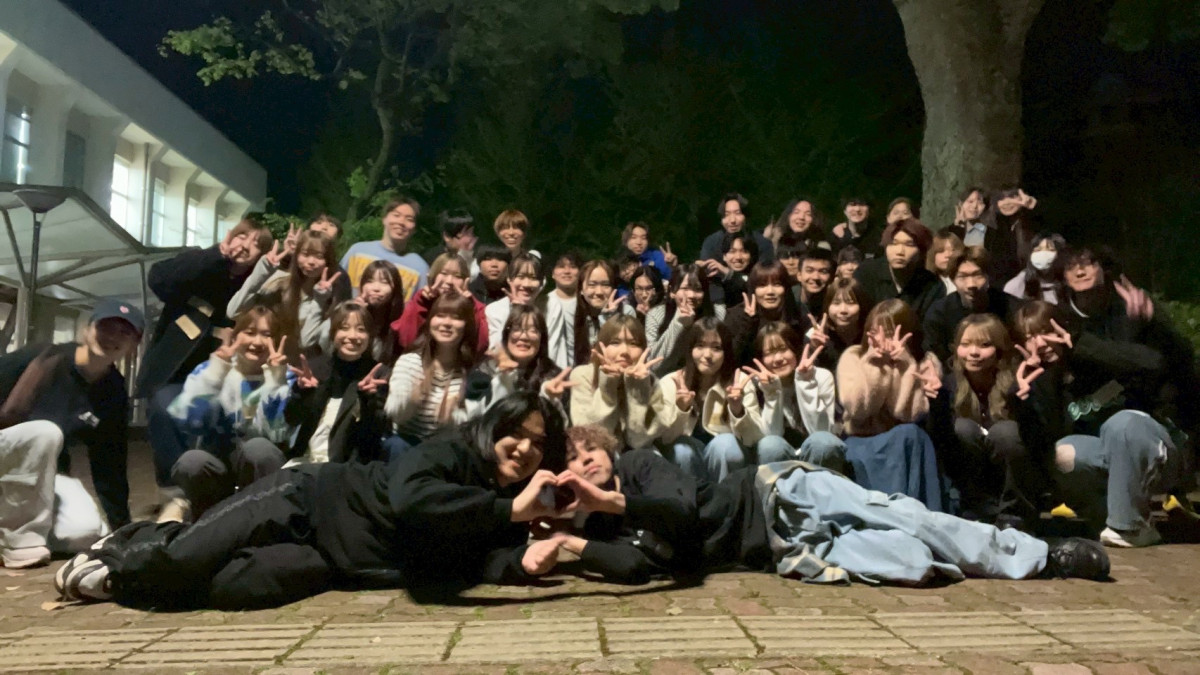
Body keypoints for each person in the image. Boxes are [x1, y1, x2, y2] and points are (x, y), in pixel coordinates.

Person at [53, 393, 569, 608]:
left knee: (235, 587)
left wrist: (520, 563)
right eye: (515, 434)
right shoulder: (451, 451)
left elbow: (476, 559)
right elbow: (412, 500)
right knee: (187, 556)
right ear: (492, 429)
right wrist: (512, 511)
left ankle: (129, 577)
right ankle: (121, 554)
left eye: (538, 443)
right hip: (303, 497)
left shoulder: (511, 501)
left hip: (327, 559)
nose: (524, 449)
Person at [553, 426, 1109, 586]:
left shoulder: (639, 468)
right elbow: (633, 567)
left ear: (606, 449)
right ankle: (970, 558)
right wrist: (567, 540)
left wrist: (615, 500)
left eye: (587, 452)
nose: (584, 464)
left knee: (904, 515)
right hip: (788, 550)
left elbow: (682, 511)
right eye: (572, 463)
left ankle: (1041, 556)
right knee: (913, 564)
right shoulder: (603, 528)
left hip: (778, 492)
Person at [1012, 301, 1191, 547]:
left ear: (1065, 328)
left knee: (1121, 423)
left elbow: (1154, 363)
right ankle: (1116, 519)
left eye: (1047, 332)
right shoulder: (1043, 381)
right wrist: (1027, 395)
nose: (1040, 343)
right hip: (1110, 463)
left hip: (1158, 454)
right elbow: (1044, 443)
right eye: (1030, 337)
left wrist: (1081, 346)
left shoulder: (1097, 353)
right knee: (1062, 452)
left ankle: (1130, 526)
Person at [0, 298, 143, 566]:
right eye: (106, 327)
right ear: (85, 331)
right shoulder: (44, 358)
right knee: (45, 433)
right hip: (4, 450)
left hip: (40, 475)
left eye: (125, 333)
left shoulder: (113, 390)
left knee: (85, 532)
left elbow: (109, 464)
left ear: (133, 346)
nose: (113, 337)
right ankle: (19, 541)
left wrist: (123, 529)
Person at [165, 305, 294, 518]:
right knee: (192, 461)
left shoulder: (286, 376)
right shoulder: (209, 369)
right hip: (218, 463)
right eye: (250, 332)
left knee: (259, 448)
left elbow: (278, 434)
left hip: (262, 467)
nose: (257, 342)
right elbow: (189, 422)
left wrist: (275, 382)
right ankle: (205, 523)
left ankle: (264, 522)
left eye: (267, 335)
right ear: (235, 335)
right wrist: (216, 375)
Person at [835, 300, 945, 510]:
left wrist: (907, 366)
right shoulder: (854, 356)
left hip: (902, 441)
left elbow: (906, 414)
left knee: (910, 433)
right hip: (861, 439)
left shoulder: (925, 362)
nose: (882, 339)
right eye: (875, 332)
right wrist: (874, 366)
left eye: (890, 332)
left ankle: (912, 515)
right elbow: (858, 410)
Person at [654, 318, 791, 482]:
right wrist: (681, 409)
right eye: (700, 346)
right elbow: (664, 440)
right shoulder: (671, 382)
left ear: (726, 352)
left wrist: (737, 411)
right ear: (690, 349)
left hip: (730, 461)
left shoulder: (739, 382)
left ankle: (726, 497)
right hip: (690, 460)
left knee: (724, 443)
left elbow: (755, 438)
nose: (707, 355)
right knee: (681, 449)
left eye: (716, 348)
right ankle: (688, 497)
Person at [944, 314, 1040, 524]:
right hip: (972, 492)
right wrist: (935, 401)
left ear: (999, 349)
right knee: (962, 428)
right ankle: (974, 511)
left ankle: (1013, 517)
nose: (974, 352)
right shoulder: (949, 385)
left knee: (1005, 432)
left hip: (1013, 484)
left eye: (984, 345)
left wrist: (1024, 398)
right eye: (965, 344)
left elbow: (1037, 438)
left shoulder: (1017, 381)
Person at [283, 302, 388, 467]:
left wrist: (369, 401)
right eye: (344, 328)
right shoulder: (315, 369)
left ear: (370, 337)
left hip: (345, 469)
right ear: (333, 334)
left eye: (361, 329)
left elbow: (372, 440)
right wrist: (301, 392)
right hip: (304, 461)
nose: (352, 335)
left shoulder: (377, 375)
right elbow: (292, 419)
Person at [383, 293, 480, 458]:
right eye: (440, 315)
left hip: (442, 451)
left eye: (456, 318)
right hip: (405, 442)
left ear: (467, 326)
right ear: (430, 321)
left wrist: (452, 416)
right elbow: (395, 414)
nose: (446, 323)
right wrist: (411, 399)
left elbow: (468, 430)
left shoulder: (469, 373)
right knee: (397, 445)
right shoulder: (411, 362)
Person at [742, 322, 844, 468]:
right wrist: (772, 393)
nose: (778, 358)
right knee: (769, 445)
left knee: (823, 441)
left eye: (783, 349)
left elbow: (823, 432)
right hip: (780, 460)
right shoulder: (757, 386)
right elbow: (770, 440)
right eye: (769, 353)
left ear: (795, 349)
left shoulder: (821, 377)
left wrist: (806, 383)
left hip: (817, 456)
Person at [228, 230, 342, 358]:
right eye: (305, 254)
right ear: (296, 256)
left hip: (296, 366)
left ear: (328, 261)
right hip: (259, 359)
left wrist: (319, 301)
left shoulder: (332, 299)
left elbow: (306, 342)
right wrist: (260, 274)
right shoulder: (278, 282)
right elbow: (233, 312)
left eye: (319, 256)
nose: (311, 261)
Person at [569, 315, 663, 452]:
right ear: (601, 346)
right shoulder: (583, 375)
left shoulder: (650, 380)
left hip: (639, 455)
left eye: (634, 344)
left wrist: (637, 388)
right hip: (597, 454)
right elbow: (590, 438)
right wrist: (608, 384)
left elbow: (640, 441)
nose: (624, 351)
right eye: (615, 343)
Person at [462, 305, 573, 415]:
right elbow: (475, 418)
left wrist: (550, 400)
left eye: (533, 331)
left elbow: (562, 423)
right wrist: (503, 380)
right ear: (506, 336)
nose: (524, 337)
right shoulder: (484, 373)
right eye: (517, 329)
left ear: (542, 339)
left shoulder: (553, 377)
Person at [922, 246, 1021, 364]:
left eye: (978, 275)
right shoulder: (939, 313)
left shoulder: (1011, 307)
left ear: (988, 276)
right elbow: (936, 358)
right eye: (962, 276)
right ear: (953, 279)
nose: (971, 284)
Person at [395, 253, 489, 356]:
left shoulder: (475, 306)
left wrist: (469, 307)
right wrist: (422, 303)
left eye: (457, 276)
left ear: (466, 280)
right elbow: (406, 339)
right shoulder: (420, 300)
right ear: (433, 275)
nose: (449, 281)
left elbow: (481, 346)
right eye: (444, 273)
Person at [852, 217, 946, 319]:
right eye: (894, 243)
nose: (900, 251)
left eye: (909, 245)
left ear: (921, 251)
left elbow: (930, 324)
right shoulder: (866, 273)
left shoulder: (932, 285)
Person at [644, 264, 726, 376]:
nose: (691, 295)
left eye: (698, 289)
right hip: (667, 379)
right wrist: (678, 324)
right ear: (672, 292)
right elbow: (654, 365)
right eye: (685, 288)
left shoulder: (718, 312)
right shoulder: (656, 315)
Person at [340, 197, 429, 301]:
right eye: (396, 215)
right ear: (384, 219)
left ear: (414, 229)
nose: (401, 222)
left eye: (409, 219)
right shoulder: (358, 252)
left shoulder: (419, 268)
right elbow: (337, 285)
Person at [726, 261, 808, 367]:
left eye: (777, 284)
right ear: (753, 289)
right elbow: (728, 361)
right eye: (762, 285)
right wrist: (748, 325)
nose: (770, 291)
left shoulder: (798, 313)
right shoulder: (736, 316)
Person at [327, 260, 404, 363]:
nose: (376, 288)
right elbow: (325, 340)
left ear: (396, 288)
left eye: (384, 282)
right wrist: (357, 313)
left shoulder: (400, 321)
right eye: (370, 281)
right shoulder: (347, 310)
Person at [571, 259, 637, 365]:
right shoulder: (571, 315)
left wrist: (608, 319)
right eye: (592, 285)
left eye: (606, 285)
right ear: (581, 289)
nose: (599, 292)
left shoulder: (626, 312)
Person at [809, 276, 870, 373]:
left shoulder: (871, 334)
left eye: (850, 303)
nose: (843, 310)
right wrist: (815, 348)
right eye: (836, 303)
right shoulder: (816, 335)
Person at [699, 193, 774, 265]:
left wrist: (727, 272)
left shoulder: (762, 244)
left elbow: (766, 272)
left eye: (737, 213)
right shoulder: (711, 243)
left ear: (746, 216)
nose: (732, 220)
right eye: (726, 214)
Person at [537, 251, 581, 371]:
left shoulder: (586, 302)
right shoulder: (542, 303)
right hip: (551, 367)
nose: (567, 271)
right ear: (553, 273)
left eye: (573, 267)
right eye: (561, 267)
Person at [1004, 232, 1066, 304]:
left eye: (1051, 250)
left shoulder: (1067, 282)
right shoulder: (1018, 284)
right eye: (1037, 250)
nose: (1043, 254)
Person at [706, 230, 759, 307]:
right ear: (724, 256)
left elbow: (747, 284)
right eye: (732, 251)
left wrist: (727, 272)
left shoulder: (758, 276)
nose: (738, 257)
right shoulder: (717, 278)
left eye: (744, 251)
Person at [793, 247, 836, 319]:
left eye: (823, 271)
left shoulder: (836, 303)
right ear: (799, 275)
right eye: (810, 270)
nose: (816, 277)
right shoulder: (787, 299)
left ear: (832, 277)